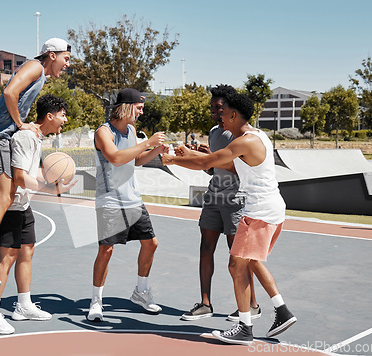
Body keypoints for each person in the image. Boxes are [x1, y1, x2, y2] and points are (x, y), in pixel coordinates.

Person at [162, 92, 296, 345]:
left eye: (223, 113)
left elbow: (211, 162)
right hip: (271, 210)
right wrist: (192, 155)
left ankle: (245, 326)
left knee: (236, 265)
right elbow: (221, 163)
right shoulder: (257, 136)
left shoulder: (244, 142)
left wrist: (173, 159)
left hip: (258, 213)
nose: (219, 116)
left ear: (234, 115)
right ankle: (281, 310)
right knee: (251, 261)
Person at [0, 38, 71, 286]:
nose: (67, 65)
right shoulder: (35, 67)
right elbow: (9, 92)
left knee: (8, 195)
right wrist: (20, 125)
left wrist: (21, 125)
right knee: (4, 197)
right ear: (52, 55)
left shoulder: (40, 75)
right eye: (66, 58)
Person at [0, 94, 75, 334]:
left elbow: (33, 174)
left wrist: (56, 182)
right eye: (63, 115)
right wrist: (50, 189)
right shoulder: (25, 137)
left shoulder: (37, 138)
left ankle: (23, 305)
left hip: (22, 205)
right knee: (7, 257)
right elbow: (19, 177)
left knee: (27, 251)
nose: (65, 120)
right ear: (50, 115)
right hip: (8, 206)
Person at [87, 88, 169, 322]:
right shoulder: (103, 132)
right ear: (126, 107)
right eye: (139, 107)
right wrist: (148, 143)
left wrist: (156, 150)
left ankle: (141, 292)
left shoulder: (132, 130)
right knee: (106, 250)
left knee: (151, 243)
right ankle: (96, 301)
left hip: (133, 198)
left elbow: (136, 161)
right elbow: (115, 157)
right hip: (110, 200)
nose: (141, 112)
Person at [181, 85, 260, 322]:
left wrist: (202, 159)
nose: (214, 111)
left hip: (236, 199)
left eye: (219, 107)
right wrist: (204, 158)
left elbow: (241, 167)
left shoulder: (240, 135)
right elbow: (214, 169)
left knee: (239, 256)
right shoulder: (215, 132)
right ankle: (205, 304)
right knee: (206, 248)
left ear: (230, 109)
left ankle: (253, 305)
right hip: (214, 196)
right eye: (212, 107)